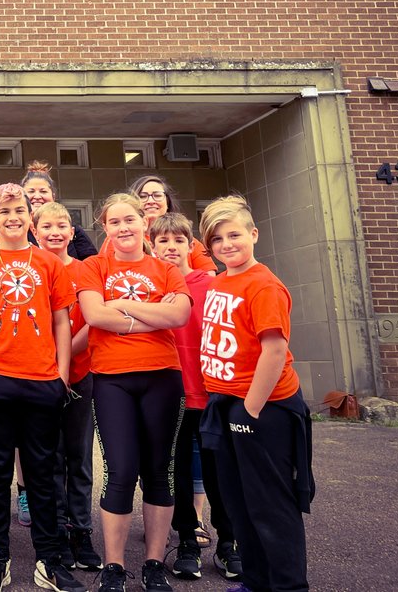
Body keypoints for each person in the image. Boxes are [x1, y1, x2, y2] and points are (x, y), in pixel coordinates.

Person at [0, 184, 83, 592]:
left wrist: (61, 375)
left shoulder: (48, 262)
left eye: (19, 211)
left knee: (42, 474)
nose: (12, 217)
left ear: (30, 217)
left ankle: (49, 558)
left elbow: (62, 320)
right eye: (5, 212)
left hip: (43, 380)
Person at [77, 193, 192, 592]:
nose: (123, 227)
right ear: (104, 228)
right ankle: (113, 567)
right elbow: (94, 314)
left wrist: (123, 304)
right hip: (112, 379)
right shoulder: (94, 266)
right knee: (121, 470)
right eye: (114, 222)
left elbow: (179, 315)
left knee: (159, 470)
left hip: (163, 376)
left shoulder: (166, 268)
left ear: (145, 222)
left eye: (130, 219)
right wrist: (153, 317)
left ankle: (154, 564)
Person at [198, 195, 314, 592]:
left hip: (264, 408)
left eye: (234, 235)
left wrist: (250, 410)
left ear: (254, 234)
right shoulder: (220, 281)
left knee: (270, 505)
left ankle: (288, 587)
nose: (226, 244)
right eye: (217, 239)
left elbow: (275, 350)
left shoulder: (263, 284)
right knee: (239, 502)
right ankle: (256, 582)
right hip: (225, 404)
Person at [149, 212, 239, 583]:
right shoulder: (150, 285)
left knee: (221, 473)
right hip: (171, 394)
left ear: (191, 245)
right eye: (163, 241)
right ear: (152, 246)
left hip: (212, 394)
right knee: (179, 473)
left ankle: (229, 542)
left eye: (178, 241)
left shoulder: (212, 284)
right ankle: (187, 540)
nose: (171, 247)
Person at [31, 201, 101, 573]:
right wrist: (50, 362)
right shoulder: (30, 269)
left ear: (72, 232)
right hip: (41, 376)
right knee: (49, 457)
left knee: (79, 456)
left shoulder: (86, 269)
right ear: (35, 232)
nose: (55, 232)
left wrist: (64, 355)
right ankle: (56, 528)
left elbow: (93, 320)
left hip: (79, 373)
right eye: (47, 226)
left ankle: (81, 530)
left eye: (62, 226)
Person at [101, 175, 212, 273]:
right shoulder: (119, 239)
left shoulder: (186, 240)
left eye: (157, 195)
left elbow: (208, 279)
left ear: (167, 202)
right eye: (143, 196)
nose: (150, 201)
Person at [21, 161, 98, 260]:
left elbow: (91, 262)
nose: (37, 196)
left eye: (43, 191)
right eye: (31, 191)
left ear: (53, 196)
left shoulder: (71, 229)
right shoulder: (16, 230)